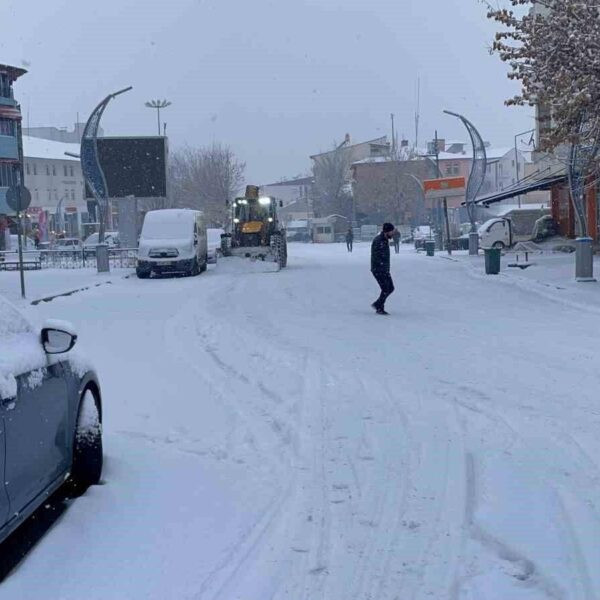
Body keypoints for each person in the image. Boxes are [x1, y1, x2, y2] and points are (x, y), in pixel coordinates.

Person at [371, 222, 396, 315]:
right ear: (387, 231)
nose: (393, 233)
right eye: (392, 232)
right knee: (386, 288)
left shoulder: (384, 240)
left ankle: (378, 304)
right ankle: (379, 307)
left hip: (384, 269)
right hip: (378, 269)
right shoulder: (379, 241)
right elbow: (376, 256)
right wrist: (381, 266)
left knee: (390, 288)